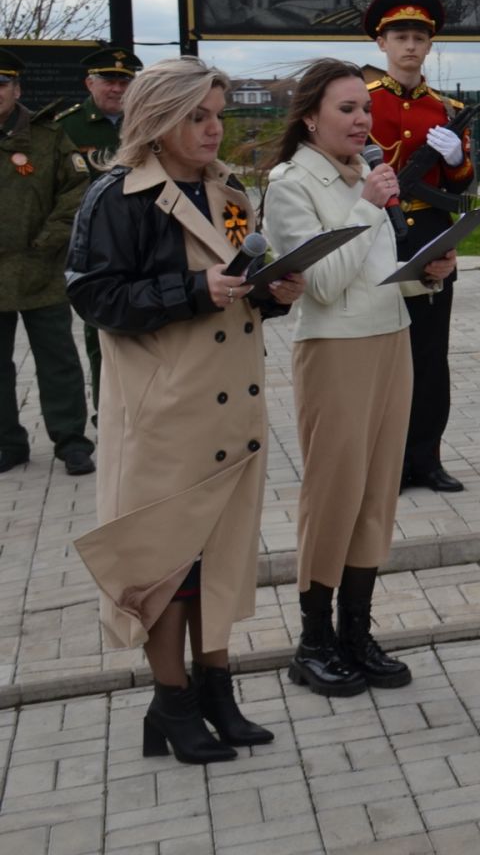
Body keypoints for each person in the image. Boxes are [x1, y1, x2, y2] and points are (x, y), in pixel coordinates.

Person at [66, 57, 306, 764]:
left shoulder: (227, 190)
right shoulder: (119, 196)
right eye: (197, 116)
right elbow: (97, 298)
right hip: (165, 410)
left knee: (219, 557)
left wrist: (271, 293)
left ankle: (216, 691)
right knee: (165, 564)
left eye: (219, 115)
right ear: (158, 117)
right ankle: (172, 705)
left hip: (230, 407)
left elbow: (236, 278)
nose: (212, 129)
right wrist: (196, 289)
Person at [265, 58, 455, 697]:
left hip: (390, 336)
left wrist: (425, 271)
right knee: (334, 491)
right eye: (346, 109)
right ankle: (313, 640)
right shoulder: (292, 183)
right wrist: (368, 206)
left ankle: (356, 633)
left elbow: (375, 268)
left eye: (363, 110)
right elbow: (320, 281)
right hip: (336, 349)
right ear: (311, 116)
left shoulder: (362, 178)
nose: (360, 120)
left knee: (376, 490)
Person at [364, 0, 475, 493]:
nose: (410, 46)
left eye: (419, 37)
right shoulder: (360, 104)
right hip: (374, 233)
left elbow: (463, 184)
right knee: (378, 349)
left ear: (430, 46)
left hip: (428, 231)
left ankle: (426, 457)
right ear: (381, 44)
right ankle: (383, 460)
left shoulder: (447, 109)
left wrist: (456, 159)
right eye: (400, 36)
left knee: (430, 352)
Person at [0, 48, 93, 476]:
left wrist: (49, 239)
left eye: (2, 85)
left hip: (42, 267)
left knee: (57, 360)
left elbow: (77, 190)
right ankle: (8, 443)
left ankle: (71, 441)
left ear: (17, 89)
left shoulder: (49, 135)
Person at [58, 45, 144, 431]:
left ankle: (139, 405)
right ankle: (105, 410)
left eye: (124, 81)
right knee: (100, 334)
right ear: (89, 83)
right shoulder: (68, 127)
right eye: (109, 81)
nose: (117, 89)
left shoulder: (145, 122)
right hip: (92, 245)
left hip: (143, 239)